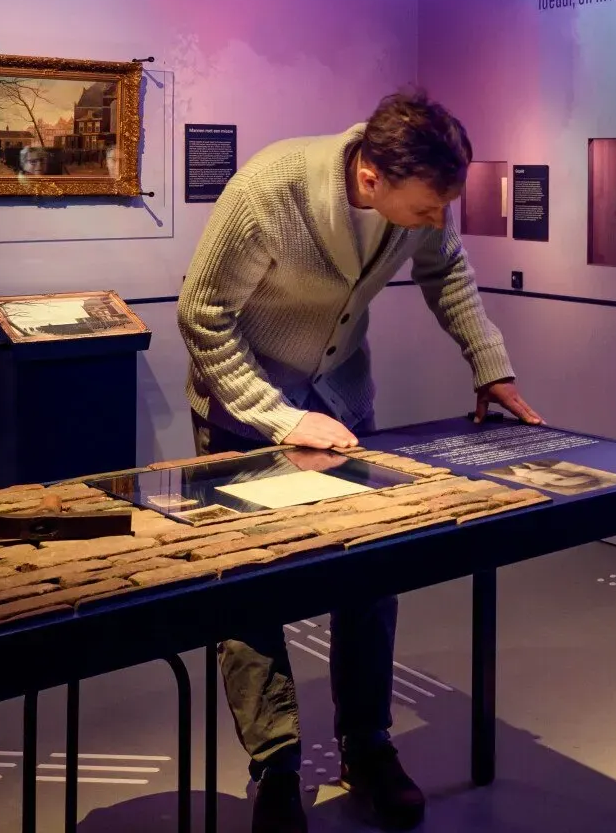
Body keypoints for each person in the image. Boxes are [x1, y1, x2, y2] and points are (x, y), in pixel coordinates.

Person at [178, 89, 542, 833]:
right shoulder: (265, 194)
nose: (436, 221)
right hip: (247, 412)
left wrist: (488, 363)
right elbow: (202, 316)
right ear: (370, 178)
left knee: (373, 574)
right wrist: (279, 418)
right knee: (253, 592)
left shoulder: (417, 202)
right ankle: (275, 767)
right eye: (423, 208)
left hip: (342, 407)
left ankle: (367, 744)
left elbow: (448, 270)